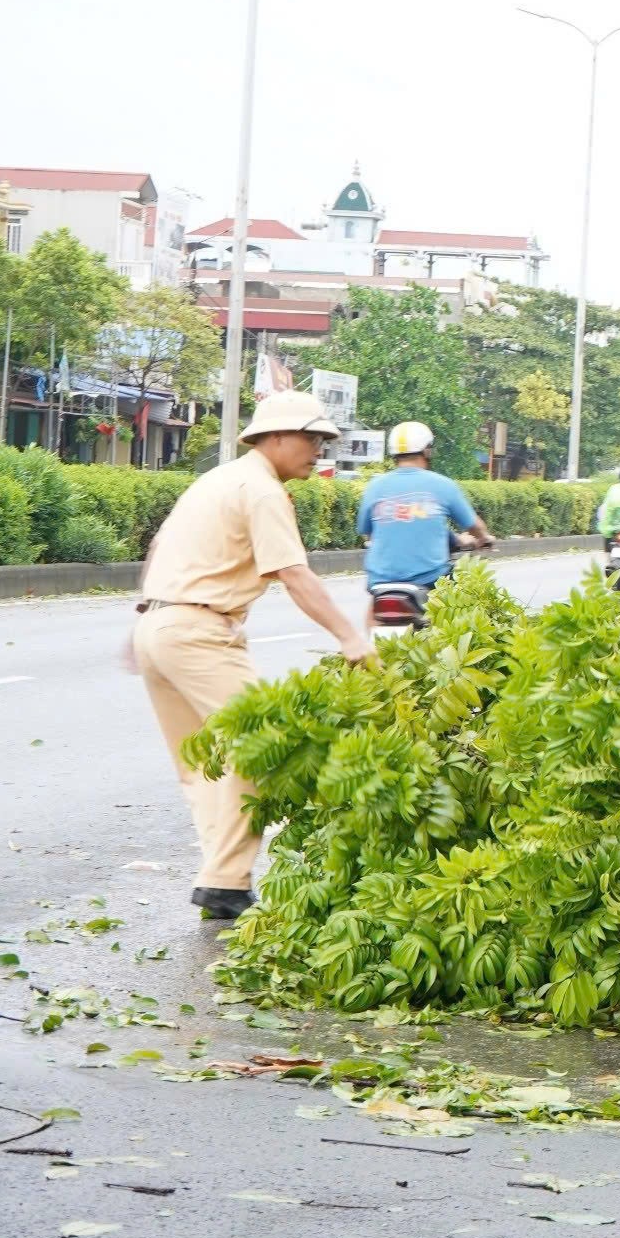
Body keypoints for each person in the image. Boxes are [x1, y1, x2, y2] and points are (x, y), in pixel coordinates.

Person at [129, 391, 375, 920]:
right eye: (312, 438)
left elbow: (159, 545)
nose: (319, 450)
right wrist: (351, 639)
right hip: (199, 631)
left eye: (323, 440)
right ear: (278, 437)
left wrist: (145, 626)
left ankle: (221, 879)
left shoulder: (217, 479)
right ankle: (226, 883)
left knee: (205, 764)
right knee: (264, 743)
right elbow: (292, 573)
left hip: (160, 624)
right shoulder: (262, 489)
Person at [357, 421, 493, 592]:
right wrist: (483, 538)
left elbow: (368, 532)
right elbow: (475, 527)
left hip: (380, 580)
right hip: (430, 579)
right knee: (461, 604)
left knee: (373, 615)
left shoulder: (374, 486)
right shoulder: (443, 485)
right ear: (427, 450)